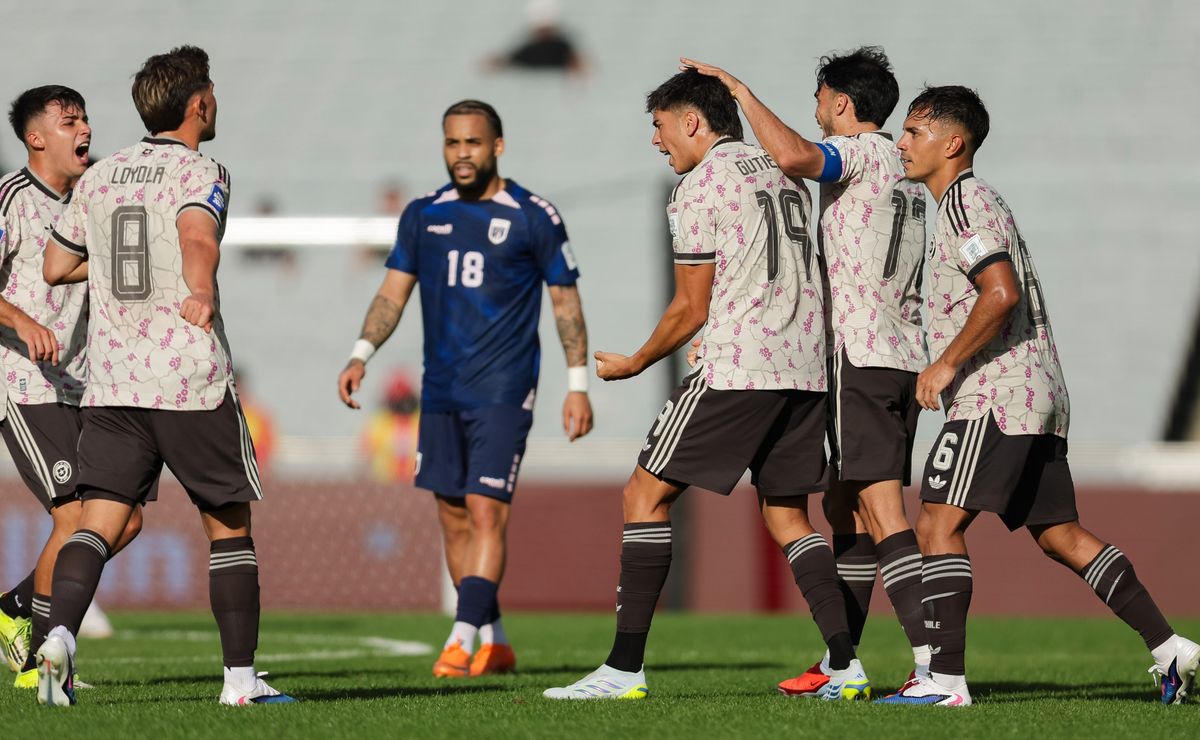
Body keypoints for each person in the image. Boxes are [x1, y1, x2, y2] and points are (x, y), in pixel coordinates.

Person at [544, 68, 868, 702]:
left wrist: (636, 361)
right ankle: (845, 665)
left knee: (643, 495)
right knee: (786, 515)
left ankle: (622, 670)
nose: (657, 142)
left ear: (693, 121)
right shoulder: (779, 173)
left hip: (739, 367)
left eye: (660, 127)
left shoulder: (699, 188)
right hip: (803, 372)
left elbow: (690, 309)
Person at [878, 85, 1199, 706]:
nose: (902, 143)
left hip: (997, 394)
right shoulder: (967, 203)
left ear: (954, 142)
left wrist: (944, 364)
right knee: (1060, 536)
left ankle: (944, 682)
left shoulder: (964, 202)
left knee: (935, 521)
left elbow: (998, 293)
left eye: (915, 132)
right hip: (1039, 391)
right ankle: (1172, 651)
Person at [37, 45, 293, 707]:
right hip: (186, 376)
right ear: (199, 102)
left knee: (96, 522)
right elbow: (196, 237)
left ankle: (60, 636)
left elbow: (55, 268)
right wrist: (198, 287)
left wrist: (131, 271)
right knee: (227, 525)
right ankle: (239, 681)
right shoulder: (201, 169)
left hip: (114, 380)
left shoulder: (101, 176)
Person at [684, 48, 931, 693]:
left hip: (861, 353)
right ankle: (840, 660)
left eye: (820, 100)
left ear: (843, 105)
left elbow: (796, 157)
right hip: (896, 353)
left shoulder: (869, 152)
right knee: (844, 507)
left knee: (881, 509)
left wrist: (738, 89)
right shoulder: (904, 168)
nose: (814, 112)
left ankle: (937, 668)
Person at [337, 99, 594, 679]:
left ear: (497, 146)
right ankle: (495, 639)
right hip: (442, 389)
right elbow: (392, 294)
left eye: (472, 143)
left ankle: (459, 637)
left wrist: (577, 385)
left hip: (504, 387)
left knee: (485, 510)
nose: (461, 154)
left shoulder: (534, 215)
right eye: (452, 143)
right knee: (452, 515)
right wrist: (361, 354)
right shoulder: (423, 215)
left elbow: (565, 304)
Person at [0, 85, 144, 689]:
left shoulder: (92, 198)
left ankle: (13, 610)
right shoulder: (10, 199)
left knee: (125, 519)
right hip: (22, 381)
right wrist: (23, 320)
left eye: (85, 116)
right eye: (68, 120)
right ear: (37, 137)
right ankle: (36, 665)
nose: (83, 127)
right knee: (77, 515)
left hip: (82, 383)